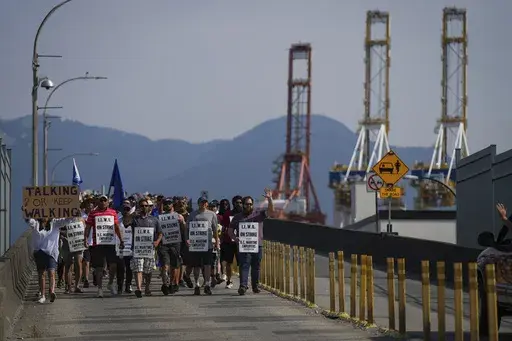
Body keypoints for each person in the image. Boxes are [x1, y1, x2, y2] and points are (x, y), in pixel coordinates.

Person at [229, 188, 274, 295]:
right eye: (246, 204)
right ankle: (243, 286)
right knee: (244, 265)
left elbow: (271, 211)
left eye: (250, 204)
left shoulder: (259, 214)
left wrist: (270, 199)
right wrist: (236, 239)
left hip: (257, 245)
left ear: (252, 204)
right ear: (243, 205)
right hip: (244, 245)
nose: (248, 206)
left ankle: (255, 286)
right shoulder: (237, 217)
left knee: (256, 266)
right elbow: (230, 231)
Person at [84, 195, 124, 298]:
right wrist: (85, 239)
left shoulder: (113, 212)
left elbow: (116, 227)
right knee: (99, 267)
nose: (102, 202)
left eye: (104, 200)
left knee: (113, 265)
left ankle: (110, 283)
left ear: (107, 202)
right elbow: (88, 227)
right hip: (97, 243)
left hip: (110, 243)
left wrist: (121, 239)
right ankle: (100, 289)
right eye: (101, 200)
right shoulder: (93, 213)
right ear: (98, 202)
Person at [186, 196, 219, 295]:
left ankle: (207, 284)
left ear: (207, 204)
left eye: (205, 202)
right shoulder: (192, 214)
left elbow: (215, 229)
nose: (203, 204)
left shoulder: (212, 214)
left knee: (208, 265)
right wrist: (187, 239)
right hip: (195, 244)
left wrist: (216, 241)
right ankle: (197, 284)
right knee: (196, 266)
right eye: (202, 202)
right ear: (199, 203)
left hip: (208, 244)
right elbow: (187, 228)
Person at [130, 198, 163, 298]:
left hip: (150, 248)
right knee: (138, 269)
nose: (144, 207)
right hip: (137, 248)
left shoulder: (154, 219)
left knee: (148, 270)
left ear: (149, 207)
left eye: (146, 206)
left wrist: (157, 241)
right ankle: (139, 289)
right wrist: (133, 214)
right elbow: (125, 222)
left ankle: (147, 287)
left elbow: (160, 233)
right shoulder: (135, 219)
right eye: (142, 206)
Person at [158, 197, 186, 295]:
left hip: (175, 243)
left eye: (169, 203)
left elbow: (184, 229)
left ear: (172, 205)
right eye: (165, 203)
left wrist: (182, 222)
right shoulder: (159, 217)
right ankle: (165, 284)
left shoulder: (178, 216)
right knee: (165, 266)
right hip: (164, 244)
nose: (167, 205)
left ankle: (173, 283)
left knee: (174, 266)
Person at [30, 218, 60, 303]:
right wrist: (25, 211)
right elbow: (29, 220)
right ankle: (42, 295)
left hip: (51, 253)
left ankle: (51, 291)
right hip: (39, 252)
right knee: (41, 274)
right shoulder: (36, 223)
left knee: (51, 272)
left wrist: (74, 213)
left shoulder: (55, 222)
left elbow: (66, 220)